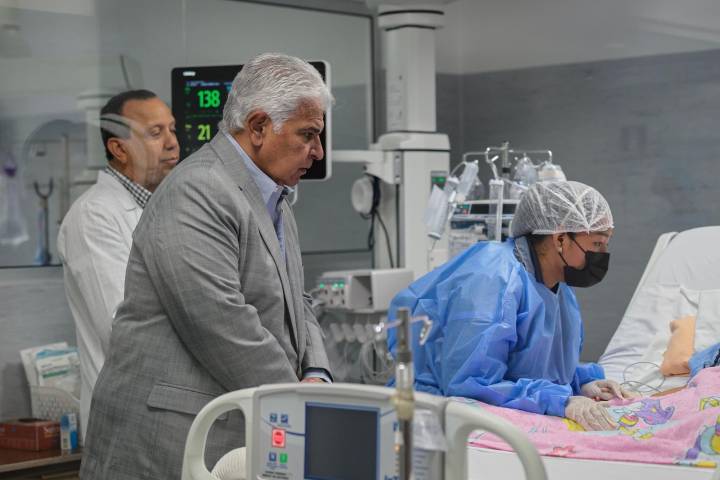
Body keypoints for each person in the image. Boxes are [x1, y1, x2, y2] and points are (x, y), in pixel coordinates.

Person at [80, 53, 333, 479]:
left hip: (235, 429)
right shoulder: (198, 189)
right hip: (167, 443)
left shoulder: (276, 200)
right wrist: (301, 404)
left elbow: (298, 301)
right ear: (258, 127)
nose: (318, 151)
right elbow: (223, 323)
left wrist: (318, 376)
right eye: (307, 134)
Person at [388, 180, 638, 431]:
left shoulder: (558, 289)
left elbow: (534, 366)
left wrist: (581, 383)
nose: (603, 255)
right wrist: (558, 400)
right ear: (561, 238)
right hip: (429, 418)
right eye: (597, 244)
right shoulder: (492, 280)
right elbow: (470, 383)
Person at [57, 89, 178, 440]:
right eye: (155, 133)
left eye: (172, 129)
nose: (172, 142)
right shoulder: (93, 217)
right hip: (127, 418)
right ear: (119, 149)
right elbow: (121, 329)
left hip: (167, 414)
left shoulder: (167, 205)